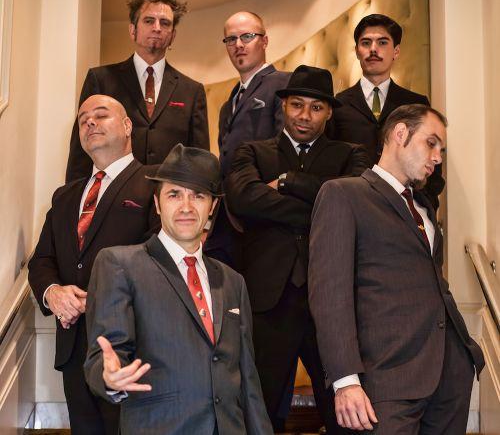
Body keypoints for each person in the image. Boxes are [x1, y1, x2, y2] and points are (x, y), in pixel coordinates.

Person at [309, 104, 485, 434]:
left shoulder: (424, 206)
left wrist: (465, 358)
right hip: (386, 381)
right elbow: (330, 296)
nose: (437, 158)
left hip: (449, 378)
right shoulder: (344, 194)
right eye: (431, 143)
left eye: (441, 150)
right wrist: (345, 380)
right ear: (400, 133)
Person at [84, 144, 273, 435]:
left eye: (198, 195)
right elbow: (105, 354)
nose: (186, 207)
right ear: (158, 204)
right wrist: (109, 377)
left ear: (212, 207)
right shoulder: (120, 264)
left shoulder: (233, 281)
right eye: (174, 194)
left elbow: (249, 381)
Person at [225, 65, 370, 433]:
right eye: (297, 105)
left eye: (316, 107)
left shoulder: (351, 156)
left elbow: (357, 204)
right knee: (262, 413)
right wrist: (324, 206)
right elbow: (243, 199)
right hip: (268, 301)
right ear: (283, 106)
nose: (305, 115)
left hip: (333, 302)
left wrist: (287, 182)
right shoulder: (251, 152)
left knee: (345, 415)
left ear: (329, 112)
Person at [28, 95, 160, 434]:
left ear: (127, 126)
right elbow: (42, 260)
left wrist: (102, 297)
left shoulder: (155, 184)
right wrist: (53, 293)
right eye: (83, 118)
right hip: (74, 349)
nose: (90, 122)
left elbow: (160, 258)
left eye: (101, 115)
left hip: (133, 347)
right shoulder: (65, 196)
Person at [65, 0, 209, 182]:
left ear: (173, 35)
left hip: (168, 194)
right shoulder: (101, 79)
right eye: (149, 20)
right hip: (113, 193)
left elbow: (199, 160)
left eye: (165, 23)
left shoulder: (192, 91)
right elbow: (81, 149)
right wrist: (74, 197)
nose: (157, 27)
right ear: (133, 30)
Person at [329, 14, 444, 209]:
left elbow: (431, 162)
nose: (373, 49)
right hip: (354, 206)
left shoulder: (416, 103)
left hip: (405, 207)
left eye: (382, 42)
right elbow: (331, 162)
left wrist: (424, 205)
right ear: (357, 51)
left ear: (396, 51)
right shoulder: (338, 104)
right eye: (366, 43)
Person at [204, 11, 289, 267]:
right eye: (231, 39)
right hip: (227, 218)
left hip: (263, 218)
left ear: (264, 41)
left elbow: (286, 148)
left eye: (247, 36)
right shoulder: (227, 104)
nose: (238, 45)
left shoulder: (283, 84)